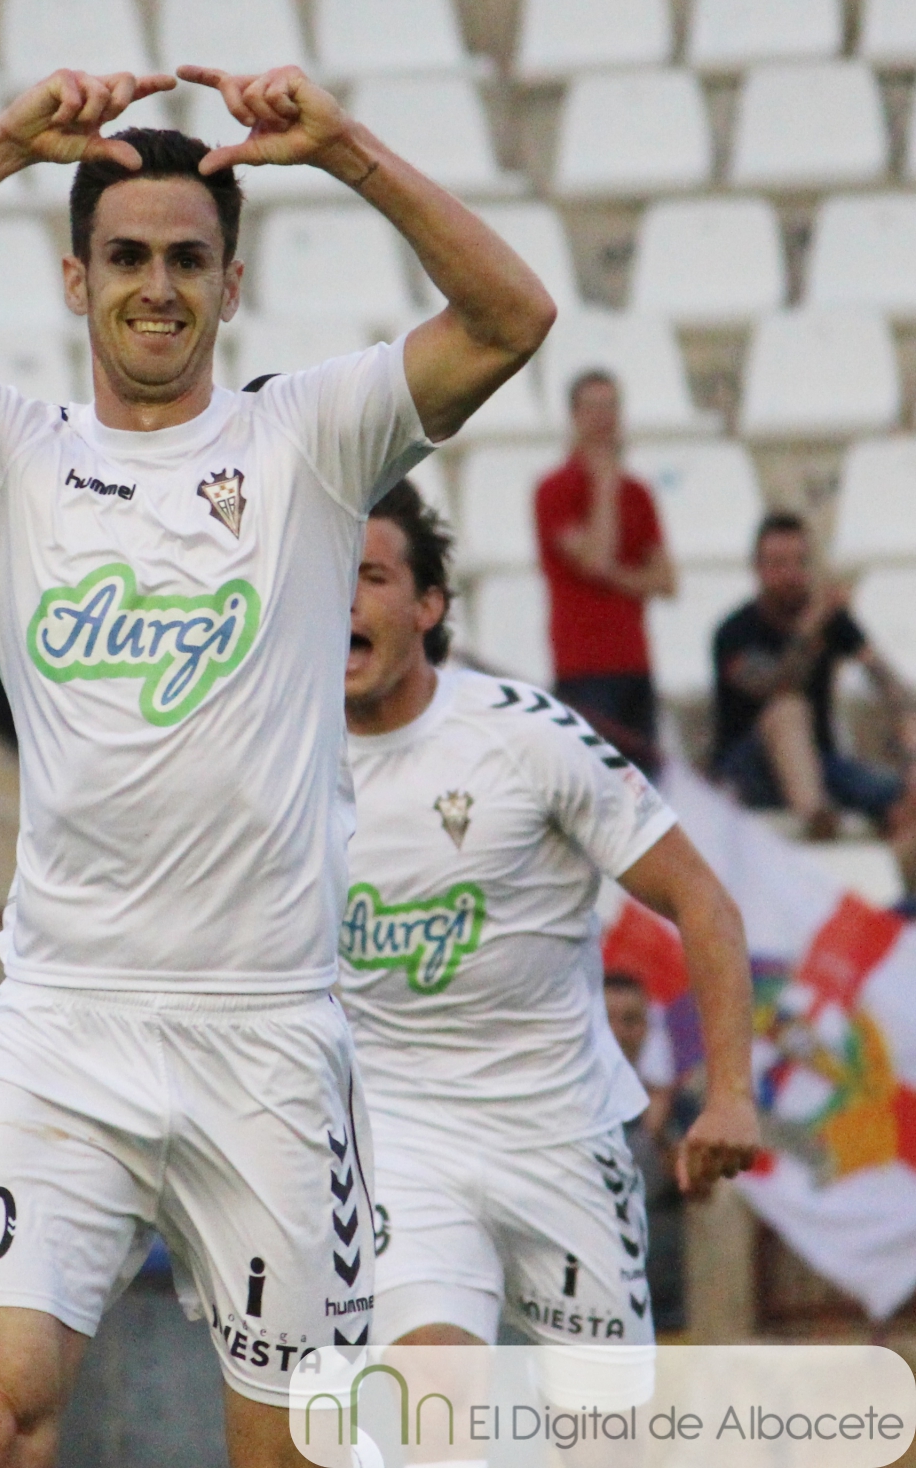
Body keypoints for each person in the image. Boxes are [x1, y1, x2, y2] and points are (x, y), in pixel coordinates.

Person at [0, 59, 555, 1467]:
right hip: (63, 1023)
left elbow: (513, 318)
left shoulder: (310, 439)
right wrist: (1, 146)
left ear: (232, 284)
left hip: (268, 1036)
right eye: (128, 257)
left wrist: (348, 152)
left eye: (188, 260)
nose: (158, 286)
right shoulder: (6, 449)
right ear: (75, 280)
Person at [338, 480, 758, 1377]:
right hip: (398, 1141)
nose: (343, 600)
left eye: (370, 577)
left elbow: (703, 901)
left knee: (604, 1431)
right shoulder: (279, 756)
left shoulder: (525, 737)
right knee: (430, 1401)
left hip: (561, 1134)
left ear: (428, 605)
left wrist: (730, 1094)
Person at [713, 512, 916, 864]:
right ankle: (815, 814)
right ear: (758, 569)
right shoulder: (734, 633)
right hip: (750, 769)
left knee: (896, 789)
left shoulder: (830, 622)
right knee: (788, 711)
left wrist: (907, 725)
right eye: (779, 564)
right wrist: (810, 628)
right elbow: (774, 687)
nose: (792, 574)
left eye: (800, 562)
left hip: (821, 763)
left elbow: (885, 681)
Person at [535, 371, 676, 775]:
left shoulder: (638, 493)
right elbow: (596, 558)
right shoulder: (554, 490)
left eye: (610, 407)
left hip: (634, 660)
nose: (603, 419)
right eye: (593, 408)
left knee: (643, 785)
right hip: (583, 664)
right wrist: (604, 485)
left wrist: (610, 573)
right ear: (574, 416)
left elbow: (666, 580)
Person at [602, 971, 692, 1333]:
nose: (618, 1032)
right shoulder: (560, 1111)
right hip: (589, 1310)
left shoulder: (676, 1107)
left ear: (646, 1029)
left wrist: (661, 1140)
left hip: (666, 1310)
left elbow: (703, 1190)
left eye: (630, 1020)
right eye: (607, 1019)